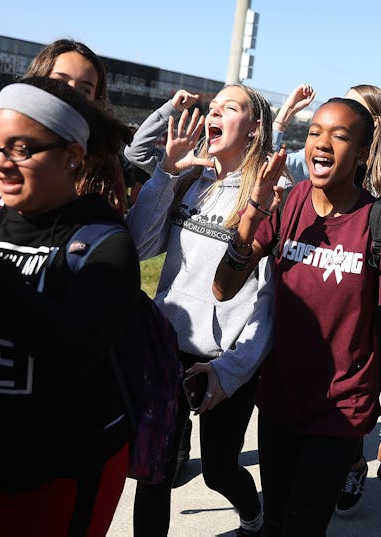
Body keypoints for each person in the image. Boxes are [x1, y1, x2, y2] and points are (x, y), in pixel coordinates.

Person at [0, 76, 137, 536]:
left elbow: (73, 351)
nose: (0, 164)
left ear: (72, 154)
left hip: (58, 471)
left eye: (21, 149)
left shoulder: (104, 242)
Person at [213, 97, 381, 535]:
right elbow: (224, 287)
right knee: (276, 522)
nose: (322, 144)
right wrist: (254, 212)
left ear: (362, 153)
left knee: (304, 526)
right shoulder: (289, 202)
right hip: (279, 398)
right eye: (315, 132)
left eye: (340, 136)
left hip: (341, 407)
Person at [125, 84, 275, 537]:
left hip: (223, 360)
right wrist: (166, 173)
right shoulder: (191, 180)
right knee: (156, 472)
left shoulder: (270, 194)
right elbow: (138, 244)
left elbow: (268, 302)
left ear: (254, 129)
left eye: (230, 108)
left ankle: (253, 518)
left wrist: (232, 370)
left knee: (219, 470)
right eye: (213, 107)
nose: (213, 113)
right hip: (166, 346)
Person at [0, 39, 121, 223]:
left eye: (84, 90)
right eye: (60, 81)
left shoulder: (101, 163)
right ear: (37, 80)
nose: (70, 94)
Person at [272, 83, 381, 261]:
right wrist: (284, 115)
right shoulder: (321, 153)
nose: (342, 110)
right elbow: (269, 163)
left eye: (353, 105)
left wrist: (377, 241)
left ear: (375, 122)